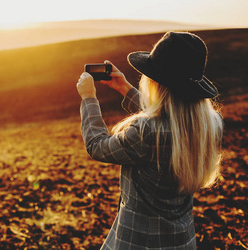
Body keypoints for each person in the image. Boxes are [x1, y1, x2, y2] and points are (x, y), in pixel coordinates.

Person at [76, 31, 223, 249]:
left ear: (156, 83)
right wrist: (125, 89)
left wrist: (89, 99)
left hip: (138, 241)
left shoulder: (146, 132)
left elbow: (97, 146)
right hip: (181, 240)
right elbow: (169, 120)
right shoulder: (210, 123)